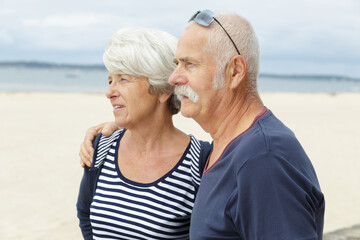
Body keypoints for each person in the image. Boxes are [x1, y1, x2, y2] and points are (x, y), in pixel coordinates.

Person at [80, 10, 325, 240]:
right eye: (176, 64)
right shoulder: (229, 150)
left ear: (235, 71)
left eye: (190, 64)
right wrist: (121, 126)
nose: (174, 79)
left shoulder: (265, 158)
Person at [76, 27, 211, 240]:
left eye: (123, 79)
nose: (109, 92)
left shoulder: (200, 162)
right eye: (110, 80)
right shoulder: (102, 146)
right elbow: (85, 213)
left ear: (164, 89)